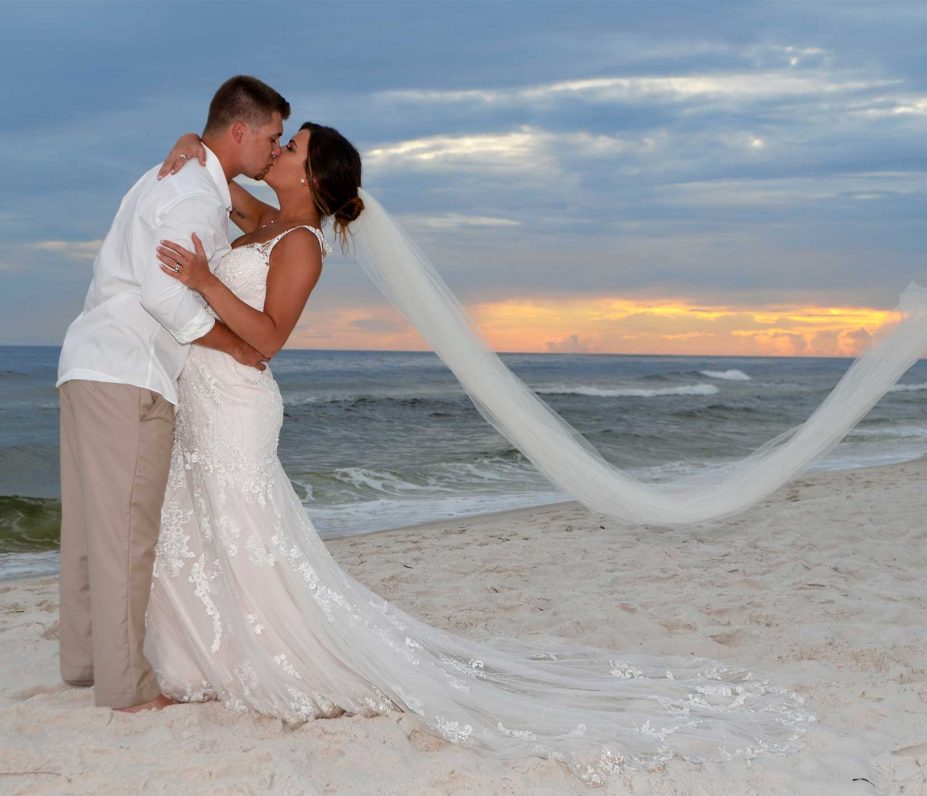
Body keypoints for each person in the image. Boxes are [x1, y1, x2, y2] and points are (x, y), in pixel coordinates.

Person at [142, 125, 811, 784]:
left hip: (238, 404)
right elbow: (221, 181)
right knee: (204, 528)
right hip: (204, 398)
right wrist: (190, 144)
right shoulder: (263, 222)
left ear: (313, 179)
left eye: (294, 147)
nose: (279, 150)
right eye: (282, 140)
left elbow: (266, 336)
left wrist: (204, 279)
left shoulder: (300, 245)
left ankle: (260, 659)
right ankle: (207, 656)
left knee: (245, 532)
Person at [54, 75, 289, 713]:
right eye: (270, 136)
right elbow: (164, 295)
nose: (275, 149)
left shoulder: (169, 176)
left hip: (87, 362)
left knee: (85, 529)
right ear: (239, 131)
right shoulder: (192, 194)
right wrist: (234, 347)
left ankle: (83, 661)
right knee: (127, 532)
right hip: (129, 371)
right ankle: (127, 690)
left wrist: (192, 141)